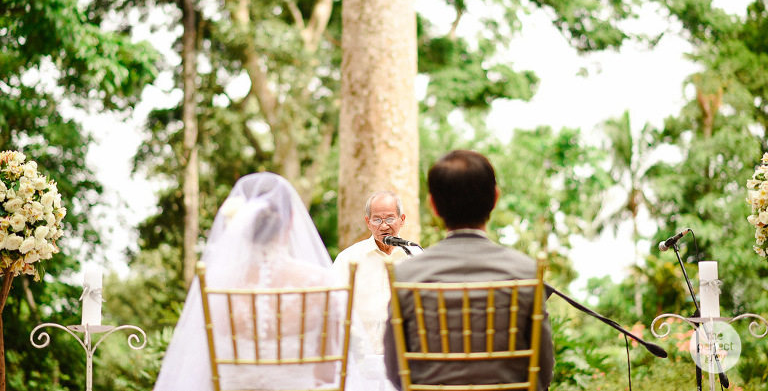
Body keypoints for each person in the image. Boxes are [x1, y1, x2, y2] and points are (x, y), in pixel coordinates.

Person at [153, 173, 347, 391]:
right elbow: (329, 374)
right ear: (291, 219)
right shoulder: (321, 282)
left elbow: (200, 370)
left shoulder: (217, 283)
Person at [383, 150, 555, 391]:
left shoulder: (405, 276)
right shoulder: (526, 271)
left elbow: (395, 371)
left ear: (433, 205)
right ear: (495, 198)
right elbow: (543, 372)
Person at [331, 191, 418, 390]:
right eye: (377, 219)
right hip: (361, 365)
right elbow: (333, 307)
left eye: (389, 218)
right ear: (368, 222)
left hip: (405, 363)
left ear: (402, 219)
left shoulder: (415, 256)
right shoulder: (348, 259)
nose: (384, 225)